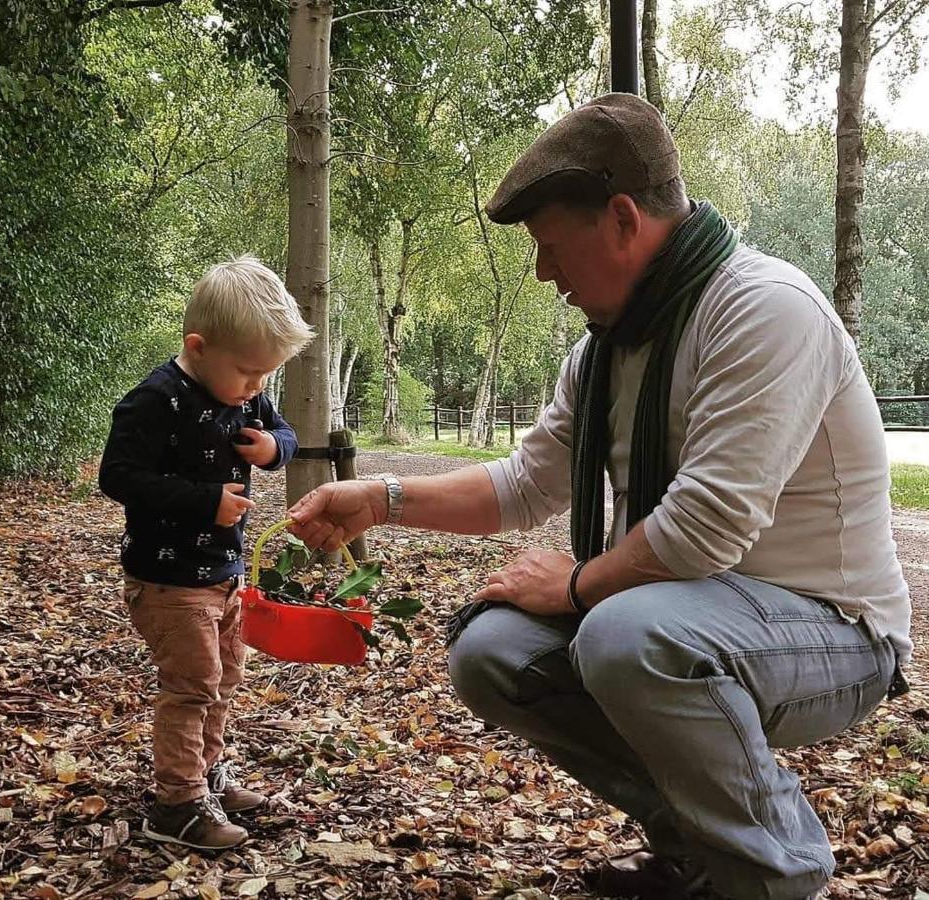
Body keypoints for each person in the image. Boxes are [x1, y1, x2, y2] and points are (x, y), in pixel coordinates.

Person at [287, 95, 912, 900]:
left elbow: (705, 527)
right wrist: (382, 496)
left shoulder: (763, 310)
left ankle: (775, 876)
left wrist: (576, 585)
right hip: (696, 619)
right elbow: (525, 484)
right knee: (493, 656)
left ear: (622, 220)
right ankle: (694, 848)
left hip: (835, 631)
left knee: (624, 633)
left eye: (550, 248)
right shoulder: (606, 353)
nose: (545, 274)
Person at [99, 255, 312, 849]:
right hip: (168, 580)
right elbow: (118, 477)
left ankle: (206, 775)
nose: (257, 388)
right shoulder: (153, 401)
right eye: (249, 372)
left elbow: (286, 433)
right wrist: (203, 501)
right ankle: (177, 803)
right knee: (192, 684)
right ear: (198, 346)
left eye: (266, 375)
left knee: (223, 680)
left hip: (224, 573)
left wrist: (273, 448)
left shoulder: (244, 396)